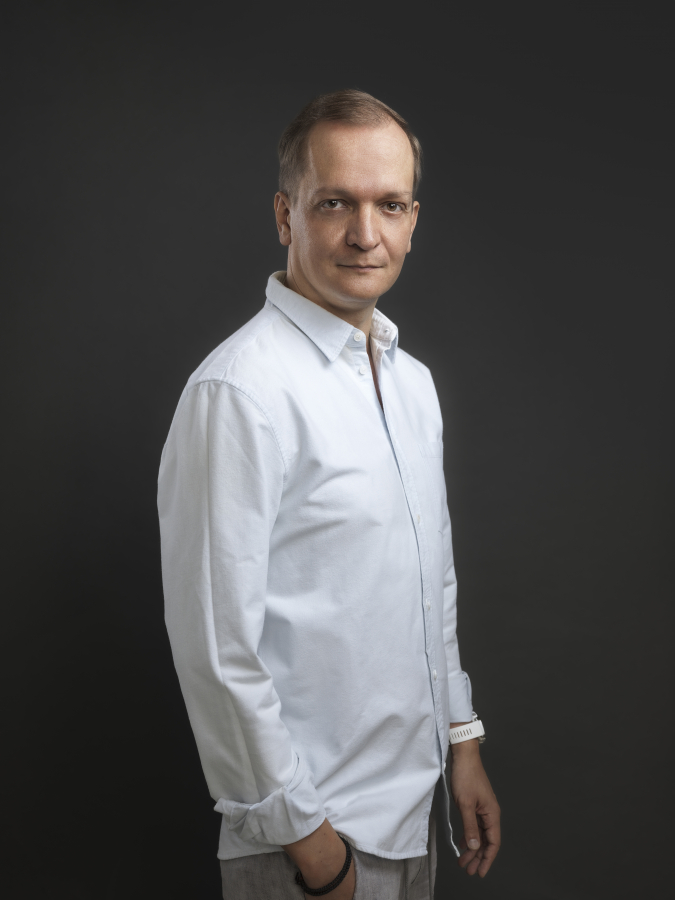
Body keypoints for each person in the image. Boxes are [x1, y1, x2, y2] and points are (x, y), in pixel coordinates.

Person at [158, 89, 501, 900]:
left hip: (411, 818)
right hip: (309, 846)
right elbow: (216, 651)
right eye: (335, 203)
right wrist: (312, 849)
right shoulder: (239, 393)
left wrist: (461, 739)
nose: (365, 234)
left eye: (390, 205)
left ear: (413, 221)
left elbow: (431, 584)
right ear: (286, 215)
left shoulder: (412, 386)